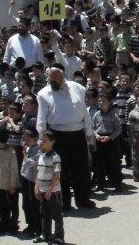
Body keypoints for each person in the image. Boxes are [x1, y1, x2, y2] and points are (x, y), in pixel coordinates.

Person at [36, 66, 95, 209]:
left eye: (56, 77)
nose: (53, 80)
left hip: (78, 133)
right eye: (51, 77)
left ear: (63, 77)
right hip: (58, 135)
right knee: (60, 170)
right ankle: (63, 202)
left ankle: (83, 199)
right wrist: (42, 140)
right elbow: (41, 119)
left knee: (81, 168)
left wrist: (89, 134)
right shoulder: (43, 94)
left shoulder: (77, 88)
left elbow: (84, 114)